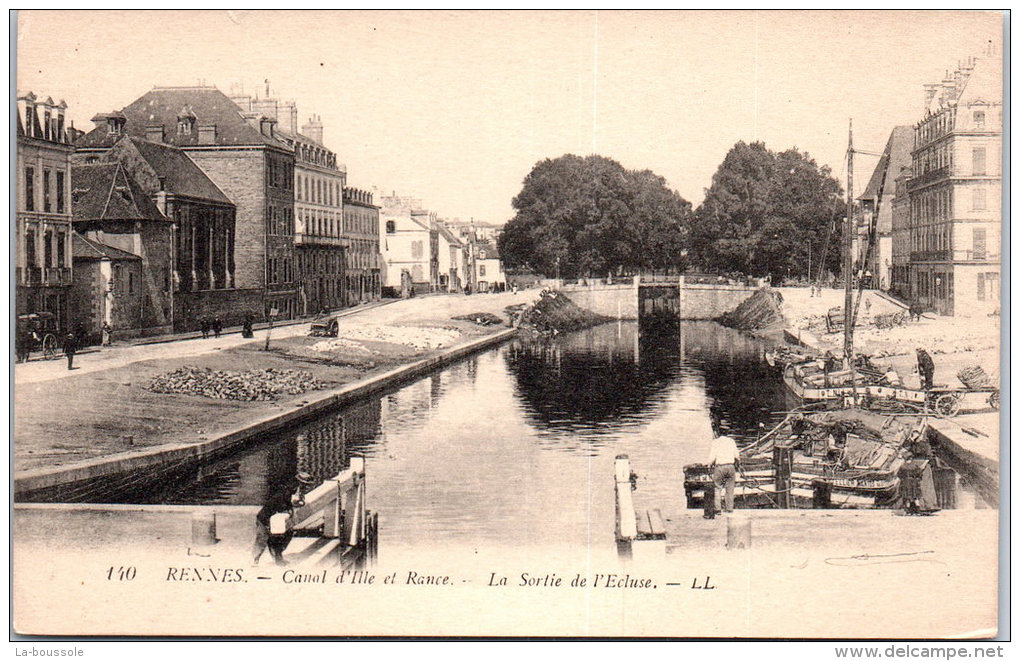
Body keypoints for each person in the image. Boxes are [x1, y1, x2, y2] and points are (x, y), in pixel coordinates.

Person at [252, 471, 316, 566]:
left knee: (285, 535)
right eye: (305, 485)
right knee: (262, 539)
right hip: (265, 517)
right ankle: (254, 560)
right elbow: (282, 504)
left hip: (277, 516)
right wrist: (290, 508)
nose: (307, 487)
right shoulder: (287, 491)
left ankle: (278, 558)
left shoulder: (295, 491)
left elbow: (291, 503)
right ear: (300, 483)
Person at [706, 424, 740, 517]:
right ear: (727, 433)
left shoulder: (715, 442)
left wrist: (708, 464)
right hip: (730, 467)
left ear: (718, 432)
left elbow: (712, 457)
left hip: (720, 467)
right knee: (730, 488)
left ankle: (718, 509)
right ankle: (729, 509)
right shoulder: (732, 441)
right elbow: (737, 455)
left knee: (717, 488)